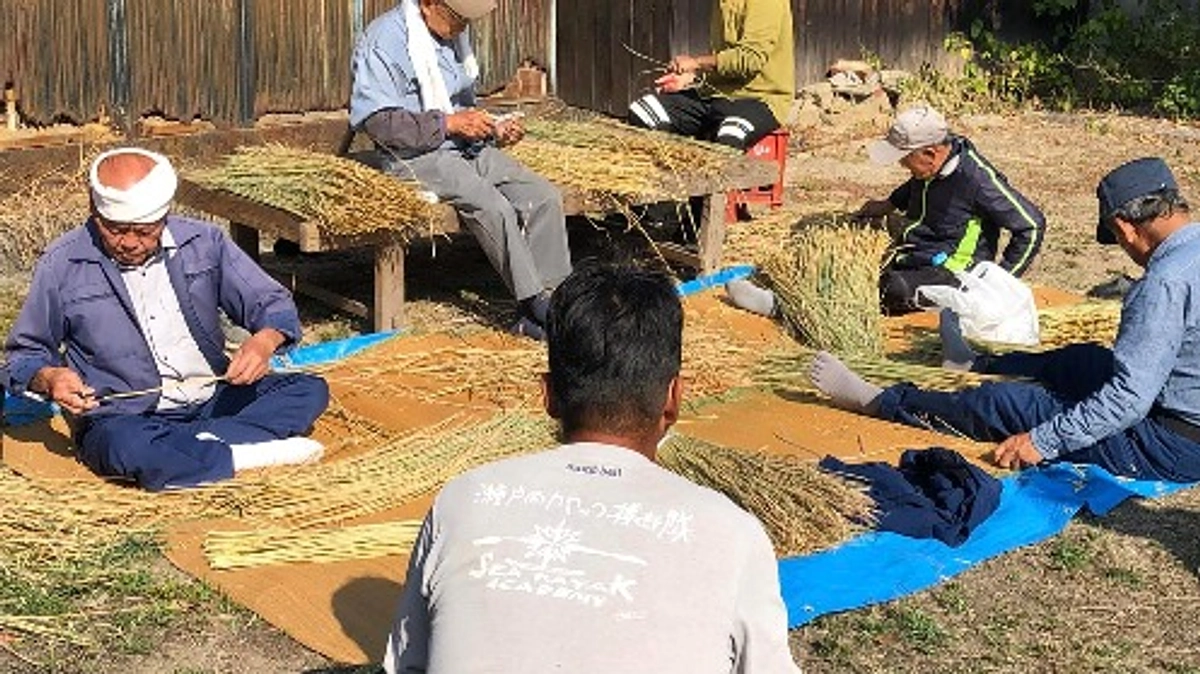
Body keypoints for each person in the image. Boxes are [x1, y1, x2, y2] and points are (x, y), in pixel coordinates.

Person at [381, 263, 801, 673]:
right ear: (674, 398)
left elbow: (407, 662)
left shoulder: (464, 500)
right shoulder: (732, 532)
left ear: (548, 395)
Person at [808, 157, 1200, 483]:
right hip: (1181, 409)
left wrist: (1043, 442)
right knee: (1079, 360)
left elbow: (1128, 400)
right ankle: (973, 364)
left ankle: (884, 401)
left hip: (1170, 443)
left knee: (1006, 404)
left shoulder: (1164, 284)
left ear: (1125, 228)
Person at [3, 148, 330, 491]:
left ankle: (190, 450)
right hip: (125, 417)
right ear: (93, 211)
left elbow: (271, 302)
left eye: (144, 231)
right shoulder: (62, 264)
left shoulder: (205, 243)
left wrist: (264, 341)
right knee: (123, 445)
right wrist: (50, 377)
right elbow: (23, 356)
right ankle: (236, 455)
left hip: (211, 398)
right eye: (115, 229)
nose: (129, 242)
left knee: (307, 391)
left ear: (164, 215)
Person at [349, 0, 572, 340]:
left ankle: (558, 297)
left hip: (465, 147)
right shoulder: (385, 41)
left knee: (542, 196)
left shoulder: (450, 35)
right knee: (491, 206)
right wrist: (450, 124)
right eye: (458, 19)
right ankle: (533, 303)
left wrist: (494, 128)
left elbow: (461, 106)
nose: (463, 28)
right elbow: (380, 124)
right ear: (428, 4)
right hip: (414, 156)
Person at [724, 104, 1047, 317]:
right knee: (846, 258)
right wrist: (889, 204)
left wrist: (998, 283)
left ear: (931, 153)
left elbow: (1031, 225)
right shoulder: (930, 168)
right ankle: (790, 289)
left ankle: (783, 307)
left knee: (891, 289)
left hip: (952, 272)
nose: (903, 165)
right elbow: (916, 186)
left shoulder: (976, 179)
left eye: (905, 158)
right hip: (914, 251)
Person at [627, 0, 795, 152]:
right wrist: (692, 78)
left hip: (760, 100)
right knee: (643, 111)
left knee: (730, 134)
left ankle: (726, 183)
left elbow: (749, 60)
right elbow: (724, 63)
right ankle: (674, 171)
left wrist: (697, 63)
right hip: (716, 95)